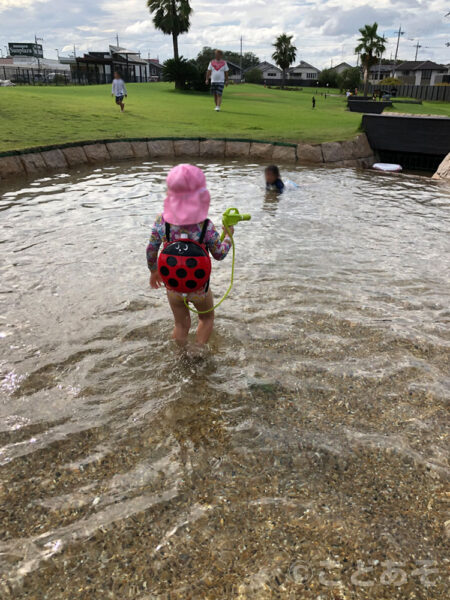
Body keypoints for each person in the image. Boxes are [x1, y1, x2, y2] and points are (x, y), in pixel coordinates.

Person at [147, 164, 233, 346]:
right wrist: (229, 237)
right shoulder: (206, 226)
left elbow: (151, 249)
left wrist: (154, 271)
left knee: (180, 324)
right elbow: (219, 254)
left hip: (174, 287)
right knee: (207, 318)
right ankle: (197, 351)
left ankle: (179, 355)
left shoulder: (161, 221)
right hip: (199, 288)